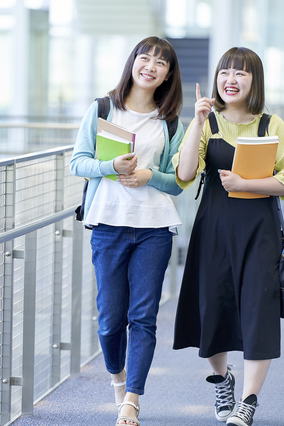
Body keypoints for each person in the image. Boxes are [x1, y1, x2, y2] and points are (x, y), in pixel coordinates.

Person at [172, 47, 284, 426]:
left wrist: (247, 183)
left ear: (254, 81)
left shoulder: (271, 125)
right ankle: (221, 380)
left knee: (258, 311)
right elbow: (183, 174)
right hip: (214, 230)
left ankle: (247, 401)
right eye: (225, 72)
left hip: (259, 232)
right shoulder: (208, 122)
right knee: (214, 307)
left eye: (241, 73)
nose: (231, 80)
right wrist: (196, 121)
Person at [69, 36, 184, 426]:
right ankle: (118, 379)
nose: (150, 66)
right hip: (108, 225)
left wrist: (151, 175)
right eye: (145, 57)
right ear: (133, 62)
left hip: (153, 228)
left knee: (144, 317)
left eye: (161, 62)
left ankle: (132, 399)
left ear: (169, 74)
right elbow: (78, 163)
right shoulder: (103, 109)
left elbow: (178, 181)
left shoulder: (169, 122)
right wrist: (110, 167)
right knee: (110, 319)